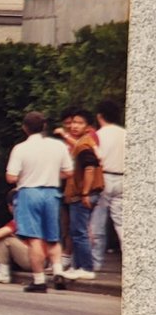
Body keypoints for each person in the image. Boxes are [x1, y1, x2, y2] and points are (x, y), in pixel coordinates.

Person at [5, 111, 73, 293]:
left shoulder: (20, 148)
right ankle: (58, 270)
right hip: (51, 192)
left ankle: (39, 279)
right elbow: (68, 172)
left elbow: (11, 177)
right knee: (53, 236)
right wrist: (51, 175)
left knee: (34, 238)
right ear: (44, 127)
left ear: (24, 128)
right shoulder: (58, 146)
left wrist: (26, 175)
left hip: (29, 192)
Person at [60, 107, 104, 281]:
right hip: (82, 193)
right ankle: (76, 266)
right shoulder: (84, 142)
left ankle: (86, 267)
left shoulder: (84, 144)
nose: (74, 126)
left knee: (79, 232)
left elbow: (90, 168)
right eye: (73, 123)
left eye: (80, 123)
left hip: (82, 194)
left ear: (88, 126)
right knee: (77, 230)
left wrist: (85, 192)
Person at [90, 99, 125, 272]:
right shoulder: (125, 134)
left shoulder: (98, 135)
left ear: (99, 116)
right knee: (121, 222)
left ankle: (96, 262)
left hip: (103, 178)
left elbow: (98, 158)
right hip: (124, 178)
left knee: (98, 222)